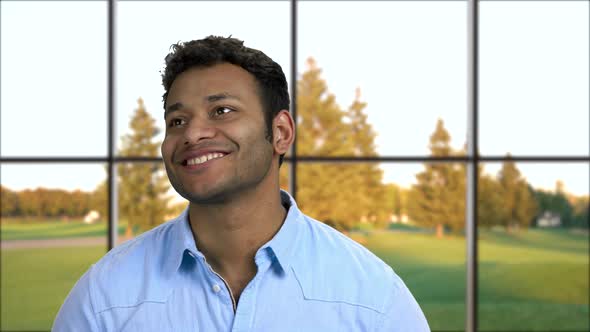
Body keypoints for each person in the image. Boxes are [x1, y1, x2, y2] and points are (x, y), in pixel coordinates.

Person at [53, 36, 430, 331]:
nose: (193, 133)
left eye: (223, 111)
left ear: (280, 132)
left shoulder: (373, 300)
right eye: (177, 121)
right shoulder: (104, 297)